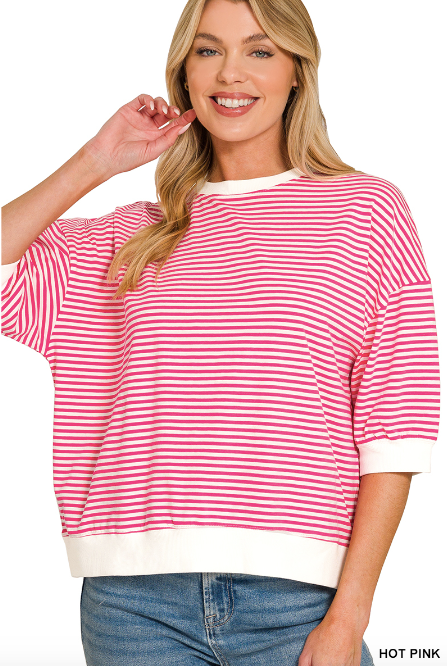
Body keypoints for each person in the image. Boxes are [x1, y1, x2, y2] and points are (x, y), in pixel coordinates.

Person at [1, 0, 441, 664]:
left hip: (299, 601)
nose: (230, 72)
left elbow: (395, 424)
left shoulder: (364, 210)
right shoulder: (130, 236)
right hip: (132, 605)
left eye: (259, 51)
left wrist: (349, 614)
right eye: (208, 50)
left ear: (297, 71)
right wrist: (96, 160)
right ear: (184, 73)